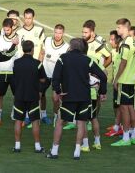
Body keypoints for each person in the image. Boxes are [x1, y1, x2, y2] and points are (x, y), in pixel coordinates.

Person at [47, 38, 107, 160]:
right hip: (84, 97)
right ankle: (77, 152)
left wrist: (58, 91)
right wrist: (102, 92)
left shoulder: (63, 58)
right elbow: (102, 76)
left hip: (68, 96)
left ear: (71, 47)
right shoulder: (87, 60)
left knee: (60, 122)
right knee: (81, 124)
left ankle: (54, 151)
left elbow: (55, 77)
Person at [79, 20, 112, 151]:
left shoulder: (98, 45)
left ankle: (86, 144)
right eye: (82, 32)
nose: (83, 34)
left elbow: (109, 57)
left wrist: (102, 68)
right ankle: (97, 142)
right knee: (92, 118)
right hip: (92, 85)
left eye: (85, 32)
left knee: (84, 119)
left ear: (92, 33)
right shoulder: (83, 44)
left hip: (89, 86)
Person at [12, 40, 47, 153]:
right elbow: (43, 79)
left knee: (18, 120)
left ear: (22, 49)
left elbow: (15, 78)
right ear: (32, 50)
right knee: (35, 121)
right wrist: (39, 90)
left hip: (19, 95)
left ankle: (17, 146)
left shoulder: (16, 63)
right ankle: (37, 146)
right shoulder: (37, 63)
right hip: (33, 96)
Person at [111, 18, 135, 147]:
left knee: (124, 109)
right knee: (130, 108)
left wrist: (116, 79)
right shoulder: (133, 42)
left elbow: (123, 62)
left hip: (124, 80)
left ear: (125, 28)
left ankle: (126, 137)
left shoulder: (125, 43)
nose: (117, 30)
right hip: (131, 81)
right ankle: (134, 136)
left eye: (118, 28)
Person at [17, 8, 46, 127]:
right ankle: (27, 116)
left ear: (33, 18)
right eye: (26, 18)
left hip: (36, 66)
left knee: (40, 93)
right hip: (23, 66)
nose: (27, 20)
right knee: (26, 92)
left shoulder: (39, 30)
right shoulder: (19, 32)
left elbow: (42, 50)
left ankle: (41, 115)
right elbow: (18, 50)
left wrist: (38, 64)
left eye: (29, 18)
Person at [39, 24, 69, 126]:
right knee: (40, 95)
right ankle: (43, 115)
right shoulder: (47, 41)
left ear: (63, 33)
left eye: (60, 33)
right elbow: (41, 53)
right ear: (53, 32)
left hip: (57, 77)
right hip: (45, 74)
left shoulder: (66, 47)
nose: (57, 35)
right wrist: (38, 69)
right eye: (56, 32)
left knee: (55, 99)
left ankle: (57, 117)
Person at [0, 18, 20, 126]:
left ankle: (15, 113)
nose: (6, 32)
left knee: (17, 95)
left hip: (14, 72)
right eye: (5, 30)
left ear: (12, 27)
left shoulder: (19, 39)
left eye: (8, 30)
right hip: (1, 72)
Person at [105, 30, 123, 137]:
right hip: (116, 83)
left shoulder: (122, 51)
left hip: (121, 83)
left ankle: (119, 127)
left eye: (112, 39)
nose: (110, 41)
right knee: (116, 105)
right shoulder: (113, 51)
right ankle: (118, 125)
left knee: (121, 106)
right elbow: (107, 63)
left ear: (118, 39)